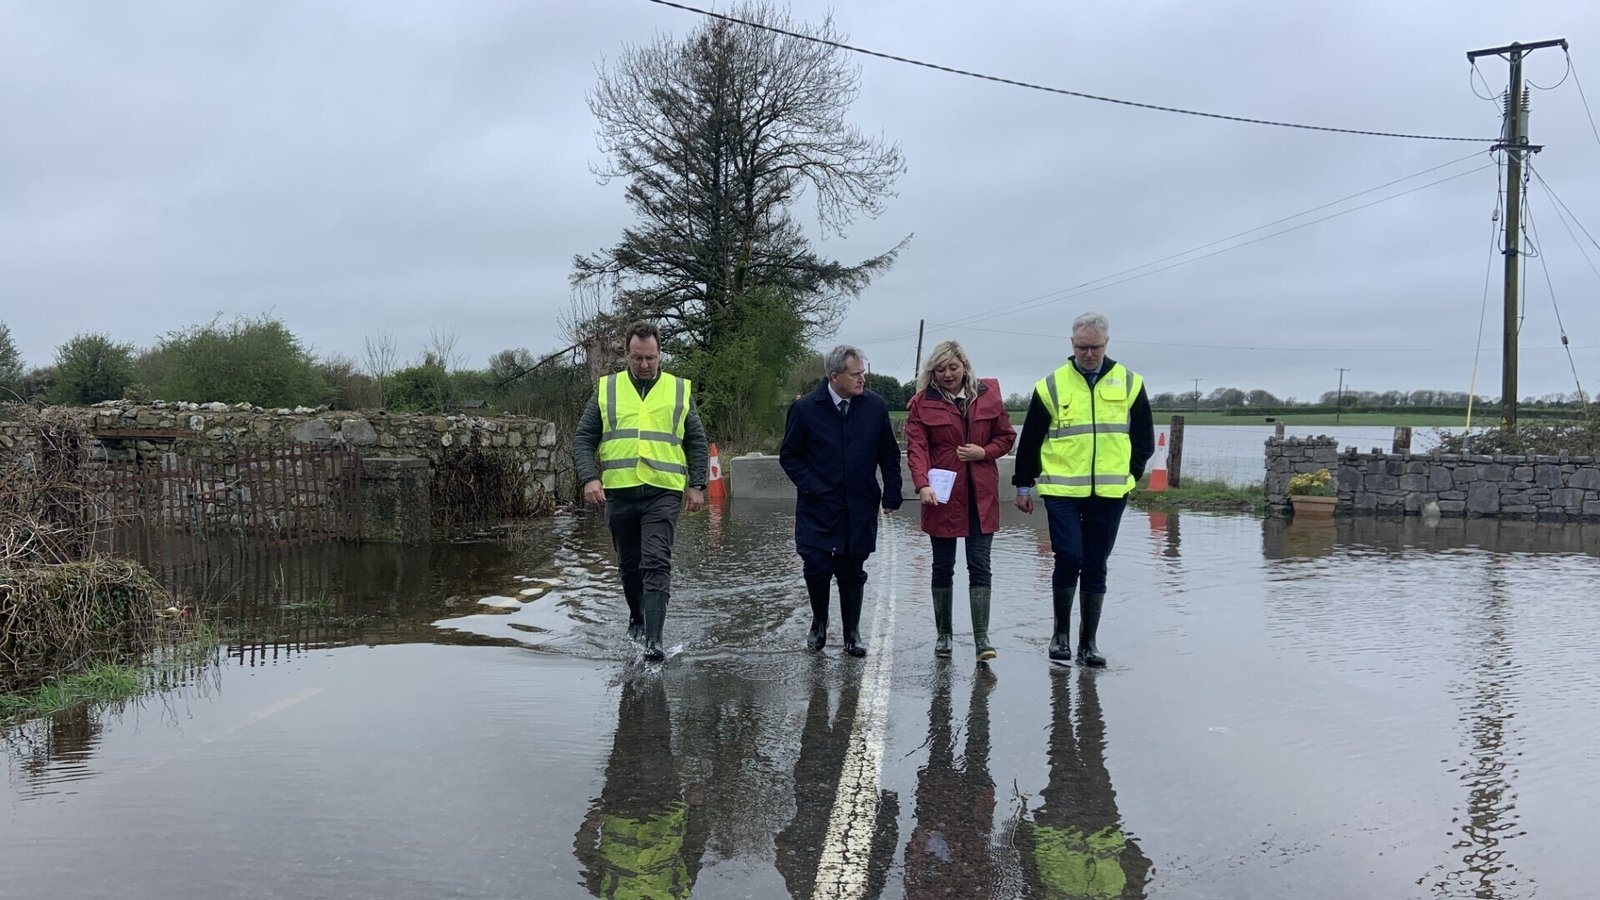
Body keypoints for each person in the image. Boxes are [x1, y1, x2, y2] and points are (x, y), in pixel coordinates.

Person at [1012, 312, 1153, 666]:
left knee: (1095, 563)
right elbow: (1029, 441)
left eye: (1094, 347)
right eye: (1081, 347)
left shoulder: (1130, 382)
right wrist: (1023, 485)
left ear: (1107, 344)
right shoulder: (1051, 386)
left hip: (1109, 493)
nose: (1088, 354)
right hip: (1062, 491)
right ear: (1071, 345)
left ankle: (1088, 643)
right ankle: (1060, 634)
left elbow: (1144, 440)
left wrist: (1131, 476)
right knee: (1069, 557)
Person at [574, 320, 709, 661]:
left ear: (660, 354)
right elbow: (584, 437)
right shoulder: (607, 390)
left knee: (656, 562)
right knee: (630, 565)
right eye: (638, 358)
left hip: (663, 492)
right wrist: (590, 478)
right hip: (619, 493)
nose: (645, 365)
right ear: (626, 355)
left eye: (651, 358)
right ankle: (636, 617)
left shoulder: (678, 390)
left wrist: (697, 485)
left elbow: (695, 440)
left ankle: (654, 640)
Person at [779, 345, 903, 657]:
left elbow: (888, 452)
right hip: (818, 506)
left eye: (863, 372)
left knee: (852, 569)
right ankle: (819, 623)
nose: (862, 379)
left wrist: (892, 489)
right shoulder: (806, 409)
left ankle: (852, 633)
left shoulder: (874, 406)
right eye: (855, 374)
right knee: (817, 566)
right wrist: (811, 487)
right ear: (834, 377)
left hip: (859, 504)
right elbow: (789, 456)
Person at [903, 341, 1016, 660]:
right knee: (943, 566)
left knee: (980, 566)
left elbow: (1006, 436)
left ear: (964, 365)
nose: (948, 374)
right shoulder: (921, 403)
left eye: (953, 367)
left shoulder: (989, 395)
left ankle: (982, 639)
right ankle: (944, 636)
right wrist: (922, 485)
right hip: (942, 496)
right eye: (940, 369)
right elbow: (917, 449)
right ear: (932, 372)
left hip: (981, 494)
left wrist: (985, 452)